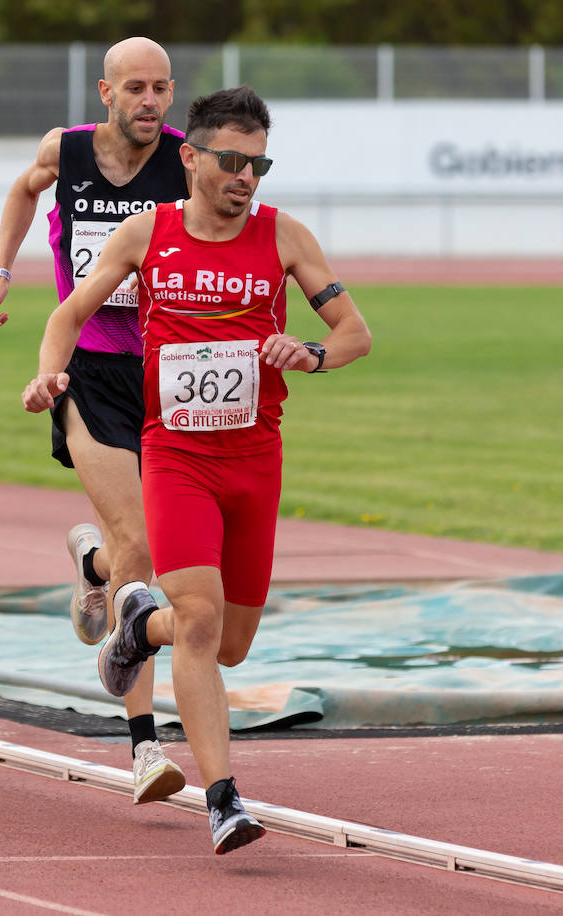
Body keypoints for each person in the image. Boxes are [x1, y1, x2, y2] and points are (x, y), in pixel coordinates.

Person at [24, 86, 371, 853]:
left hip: (255, 459)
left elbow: (353, 331)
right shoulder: (148, 233)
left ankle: (137, 629)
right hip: (176, 458)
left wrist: (310, 352)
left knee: (232, 643)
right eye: (232, 160)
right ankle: (223, 799)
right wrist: (49, 375)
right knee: (205, 620)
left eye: (259, 163)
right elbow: (67, 315)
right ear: (192, 158)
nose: (247, 177)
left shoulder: (286, 239)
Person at [0, 36, 190, 805]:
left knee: (146, 548)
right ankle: (144, 748)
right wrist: (2, 272)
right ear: (106, 92)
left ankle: (91, 565)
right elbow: (21, 191)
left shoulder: (185, 160)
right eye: (136, 87)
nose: (151, 102)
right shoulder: (63, 151)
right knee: (142, 545)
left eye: (162, 88)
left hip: (168, 376)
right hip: (87, 369)